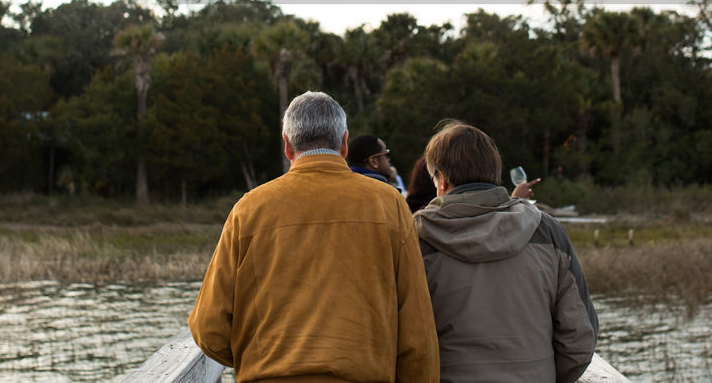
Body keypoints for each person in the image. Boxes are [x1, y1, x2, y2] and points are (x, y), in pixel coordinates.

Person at [188, 91, 440, 383]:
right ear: (344, 143)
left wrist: (258, 357)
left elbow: (208, 327)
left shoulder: (249, 209)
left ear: (287, 145)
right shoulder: (389, 204)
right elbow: (417, 333)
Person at [414, 120, 597, 383]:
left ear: (440, 180)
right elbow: (579, 336)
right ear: (495, 173)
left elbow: (399, 338)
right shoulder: (548, 232)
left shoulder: (414, 238)